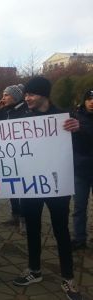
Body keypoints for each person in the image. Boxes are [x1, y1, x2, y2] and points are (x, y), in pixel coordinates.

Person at [11, 76, 83, 300]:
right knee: (32, 228)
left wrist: (78, 130)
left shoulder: (65, 117)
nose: (27, 98)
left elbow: (84, 146)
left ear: (43, 94)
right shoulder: (23, 118)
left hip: (56, 185)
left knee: (61, 230)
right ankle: (34, 270)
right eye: (25, 94)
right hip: (31, 186)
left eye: (31, 94)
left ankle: (68, 279)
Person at [0, 84, 28, 230]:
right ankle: (14, 215)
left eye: (6, 95)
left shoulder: (26, 111)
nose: (3, 97)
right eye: (3, 94)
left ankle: (24, 219)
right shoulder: (3, 111)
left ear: (15, 97)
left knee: (23, 189)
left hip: (23, 157)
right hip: (8, 157)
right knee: (12, 188)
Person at [71, 88, 93, 250]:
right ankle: (79, 238)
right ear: (84, 101)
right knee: (79, 207)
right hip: (80, 171)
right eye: (89, 99)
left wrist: (81, 130)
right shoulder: (75, 116)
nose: (92, 102)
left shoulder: (78, 122)